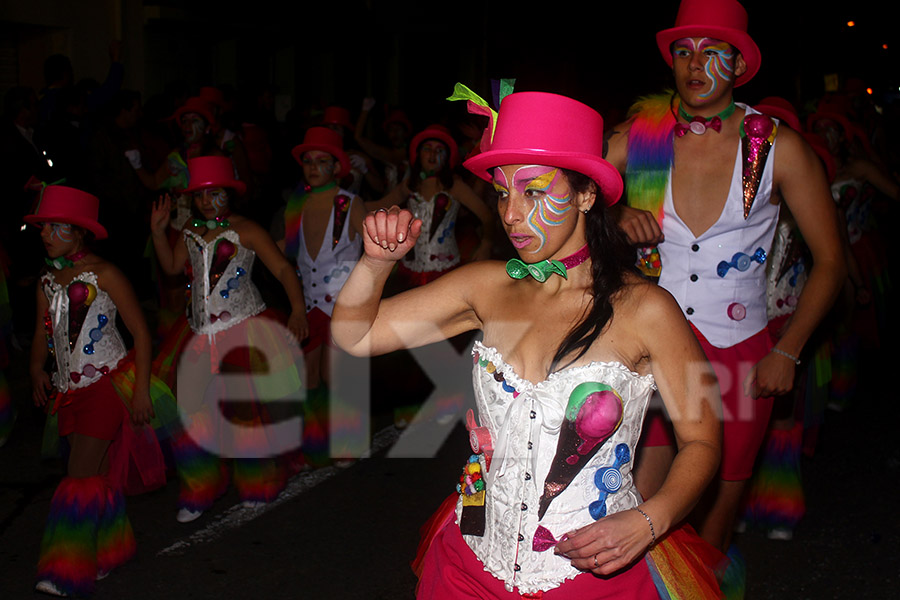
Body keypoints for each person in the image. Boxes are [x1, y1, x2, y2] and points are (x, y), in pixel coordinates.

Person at [332, 88, 724, 599]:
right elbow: (353, 336)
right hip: (470, 564)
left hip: (590, 577)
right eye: (501, 192)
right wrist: (375, 264)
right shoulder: (485, 286)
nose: (511, 214)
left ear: (586, 194)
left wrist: (650, 520)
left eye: (534, 191)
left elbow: (703, 440)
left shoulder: (646, 309)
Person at [604, 0, 846, 561]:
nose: (695, 65)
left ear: (739, 66)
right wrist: (614, 216)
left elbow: (831, 261)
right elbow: (567, 186)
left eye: (713, 52)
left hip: (739, 358)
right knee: (631, 511)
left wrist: (788, 350)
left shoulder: (777, 145)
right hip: (649, 349)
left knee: (712, 528)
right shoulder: (642, 137)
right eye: (684, 52)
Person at [27, 185, 168, 597]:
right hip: (70, 392)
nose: (45, 234)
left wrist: (140, 391)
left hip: (108, 386)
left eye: (55, 227)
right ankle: (111, 550)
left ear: (78, 233)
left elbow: (141, 333)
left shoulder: (104, 275)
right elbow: (42, 332)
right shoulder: (47, 280)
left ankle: (67, 569)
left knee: (79, 476)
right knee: (100, 476)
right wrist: (37, 367)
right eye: (43, 227)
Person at [150, 156, 307, 522]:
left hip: (243, 329)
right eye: (200, 196)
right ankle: (200, 485)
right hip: (198, 334)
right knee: (190, 409)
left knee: (243, 408)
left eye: (214, 194)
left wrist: (298, 310)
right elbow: (173, 268)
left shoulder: (246, 229)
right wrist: (159, 234)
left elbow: (282, 268)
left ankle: (257, 479)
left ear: (229, 195)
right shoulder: (189, 228)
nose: (207, 202)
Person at [277, 126, 367, 466]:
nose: (313, 167)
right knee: (307, 376)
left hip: (342, 304)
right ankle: (315, 440)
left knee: (335, 375)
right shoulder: (295, 204)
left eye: (322, 160)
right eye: (307, 161)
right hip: (310, 301)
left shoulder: (349, 203)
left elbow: (372, 250)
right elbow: (286, 251)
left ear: (336, 166)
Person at [375, 123, 494, 288]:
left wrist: (486, 244)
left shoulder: (454, 186)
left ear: (447, 158)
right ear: (418, 155)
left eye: (440, 150)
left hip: (445, 271)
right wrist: (352, 201)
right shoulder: (410, 185)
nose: (433, 154)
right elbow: (379, 206)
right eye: (427, 149)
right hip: (409, 270)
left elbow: (486, 214)